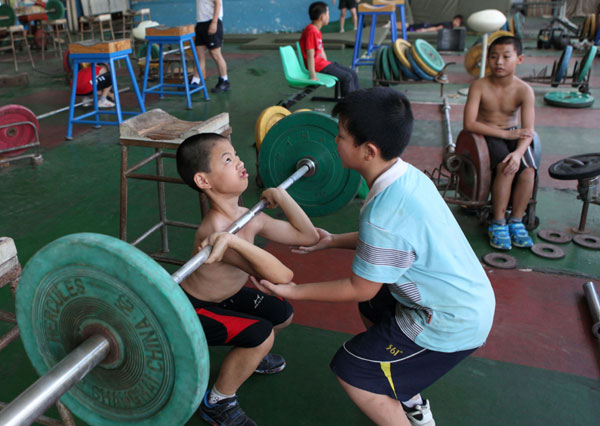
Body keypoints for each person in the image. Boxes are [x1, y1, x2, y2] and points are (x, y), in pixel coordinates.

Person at [252, 87, 496, 426]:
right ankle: (404, 387)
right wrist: (333, 240)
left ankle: (407, 407)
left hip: (448, 321)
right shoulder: (407, 177)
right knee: (375, 304)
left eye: (340, 136)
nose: (334, 141)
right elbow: (395, 245)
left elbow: (359, 286)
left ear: (367, 151)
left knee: (352, 370)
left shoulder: (383, 213)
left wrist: (294, 291)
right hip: (469, 298)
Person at [175, 133, 319, 426]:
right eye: (227, 159)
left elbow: (309, 236)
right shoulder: (212, 229)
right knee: (262, 334)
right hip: (193, 309)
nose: (239, 161)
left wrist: (282, 196)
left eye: (235, 154)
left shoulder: (248, 215)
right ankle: (218, 401)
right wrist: (233, 242)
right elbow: (283, 276)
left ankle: (248, 359)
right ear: (204, 181)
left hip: (224, 297)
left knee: (283, 314)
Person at [463, 35, 536, 250]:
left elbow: (528, 131)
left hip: (515, 136)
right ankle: (498, 222)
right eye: (494, 57)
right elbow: (469, 123)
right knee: (506, 167)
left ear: (519, 59)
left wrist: (519, 153)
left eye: (506, 56)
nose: (499, 62)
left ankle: (516, 220)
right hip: (486, 134)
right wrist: (504, 136)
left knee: (528, 170)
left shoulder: (525, 90)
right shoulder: (479, 86)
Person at [300, 2, 360, 97]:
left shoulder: (316, 30)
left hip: (323, 64)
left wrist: (329, 64)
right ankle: (348, 106)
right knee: (346, 77)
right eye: (328, 13)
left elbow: (321, 50)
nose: (329, 16)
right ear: (322, 17)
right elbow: (310, 55)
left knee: (352, 73)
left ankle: (357, 100)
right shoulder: (311, 31)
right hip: (318, 67)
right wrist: (313, 76)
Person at [190, 0, 230, 93]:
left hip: (212, 22)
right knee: (199, 55)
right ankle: (195, 82)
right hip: (200, 24)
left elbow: (218, 3)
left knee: (215, 53)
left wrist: (214, 22)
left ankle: (224, 81)